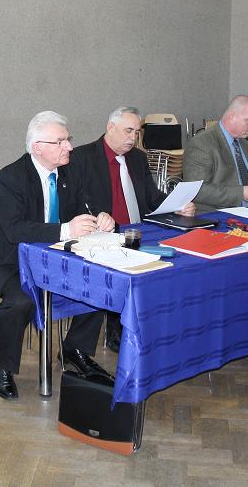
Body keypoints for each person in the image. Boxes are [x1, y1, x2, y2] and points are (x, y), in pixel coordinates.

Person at [0, 111, 117, 401]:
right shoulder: (10, 177)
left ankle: (74, 350)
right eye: (60, 141)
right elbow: (15, 230)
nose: (69, 146)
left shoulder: (71, 171)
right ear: (37, 147)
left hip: (56, 259)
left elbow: (86, 207)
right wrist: (66, 229)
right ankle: (2, 365)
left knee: (99, 280)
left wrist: (100, 217)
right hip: (12, 262)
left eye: (68, 139)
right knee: (21, 300)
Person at [70, 106, 195, 351]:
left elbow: (152, 197)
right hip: (104, 236)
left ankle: (157, 327)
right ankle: (116, 329)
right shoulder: (82, 157)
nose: (133, 138)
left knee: (179, 261)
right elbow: (77, 203)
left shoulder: (137, 158)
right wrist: (98, 219)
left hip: (140, 233)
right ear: (110, 128)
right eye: (128, 131)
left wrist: (176, 205)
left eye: (137, 132)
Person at [183, 95, 248, 213]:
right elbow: (196, 191)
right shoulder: (202, 143)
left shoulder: (244, 144)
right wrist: (241, 193)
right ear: (231, 117)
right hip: (215, 215)